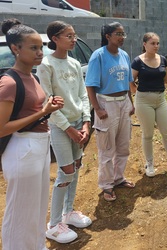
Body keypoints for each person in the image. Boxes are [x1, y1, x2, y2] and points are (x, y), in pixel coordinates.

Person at [0, 18, 64, 249]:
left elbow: (34, 109)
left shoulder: (33, 77)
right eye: (33, 48)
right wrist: (42, 113)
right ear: (16, 49)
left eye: (41, 47)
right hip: (22, 150)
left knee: (37, 207)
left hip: (38, 146)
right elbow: (2, 128)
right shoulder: (9, 82)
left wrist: (48, 107)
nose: (40, 52)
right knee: (20, 211)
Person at [37, 21, 92, 244]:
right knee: (66, 171)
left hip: (79, 122)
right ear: (55, 38)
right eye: (68, 36)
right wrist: (69, 129)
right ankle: (53, 224)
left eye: (74, 35)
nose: (74, 39)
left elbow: (83, 95)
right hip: (61, 127)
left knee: (77, 166)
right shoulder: (46, 65)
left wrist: (86, 123)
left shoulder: (75, 64)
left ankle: (69, 212)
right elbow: (47, 103)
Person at [85, 22, 135, 202]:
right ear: (107, 36)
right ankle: (106, 185)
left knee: (123, 145)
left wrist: (131, 102)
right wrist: (97, 108)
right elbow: (90, 85)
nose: (122, 37)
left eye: (123, 33)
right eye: (118, 34)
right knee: (107, 148)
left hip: (123, 102)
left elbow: (128, 81)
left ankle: (118, 178)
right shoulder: (98, 56)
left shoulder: (124, 55)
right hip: (107, 103)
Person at [131, 32, 167, 177]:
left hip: (160, 99)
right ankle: (149, 163)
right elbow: (130, 81)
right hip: (144, 100)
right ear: (144, 45)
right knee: (148, 134)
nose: (156, 46)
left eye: (157, 43)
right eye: (152, 43)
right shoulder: (138, 61)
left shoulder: (163, 59)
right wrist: (138, 93)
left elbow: (165, 77)